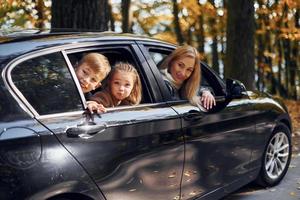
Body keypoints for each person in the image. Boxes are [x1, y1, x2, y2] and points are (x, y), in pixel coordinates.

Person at [159, 45, 216, 110]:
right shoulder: (164, 85)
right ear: (171, 61)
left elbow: (195, 88)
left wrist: (206, 92)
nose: (183, 73)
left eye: (189, 70)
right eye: (180, 65)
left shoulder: (184, 85)